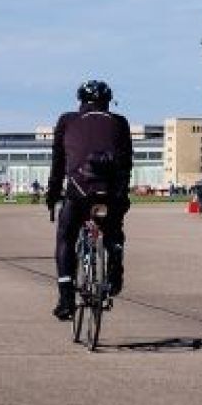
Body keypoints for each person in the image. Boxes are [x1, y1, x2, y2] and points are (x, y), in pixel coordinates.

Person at [46, 80, 133, 321]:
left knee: (66, 236)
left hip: (78, 191)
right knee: (114, 230)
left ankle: (65, 299)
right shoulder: (120, 122)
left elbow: (58, 164)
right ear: (108, 101)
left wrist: (52, 195)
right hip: (110, 193)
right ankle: (115, 268)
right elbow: (126, 164)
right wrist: (122, 195)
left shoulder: (67, 120)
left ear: (81, 101)